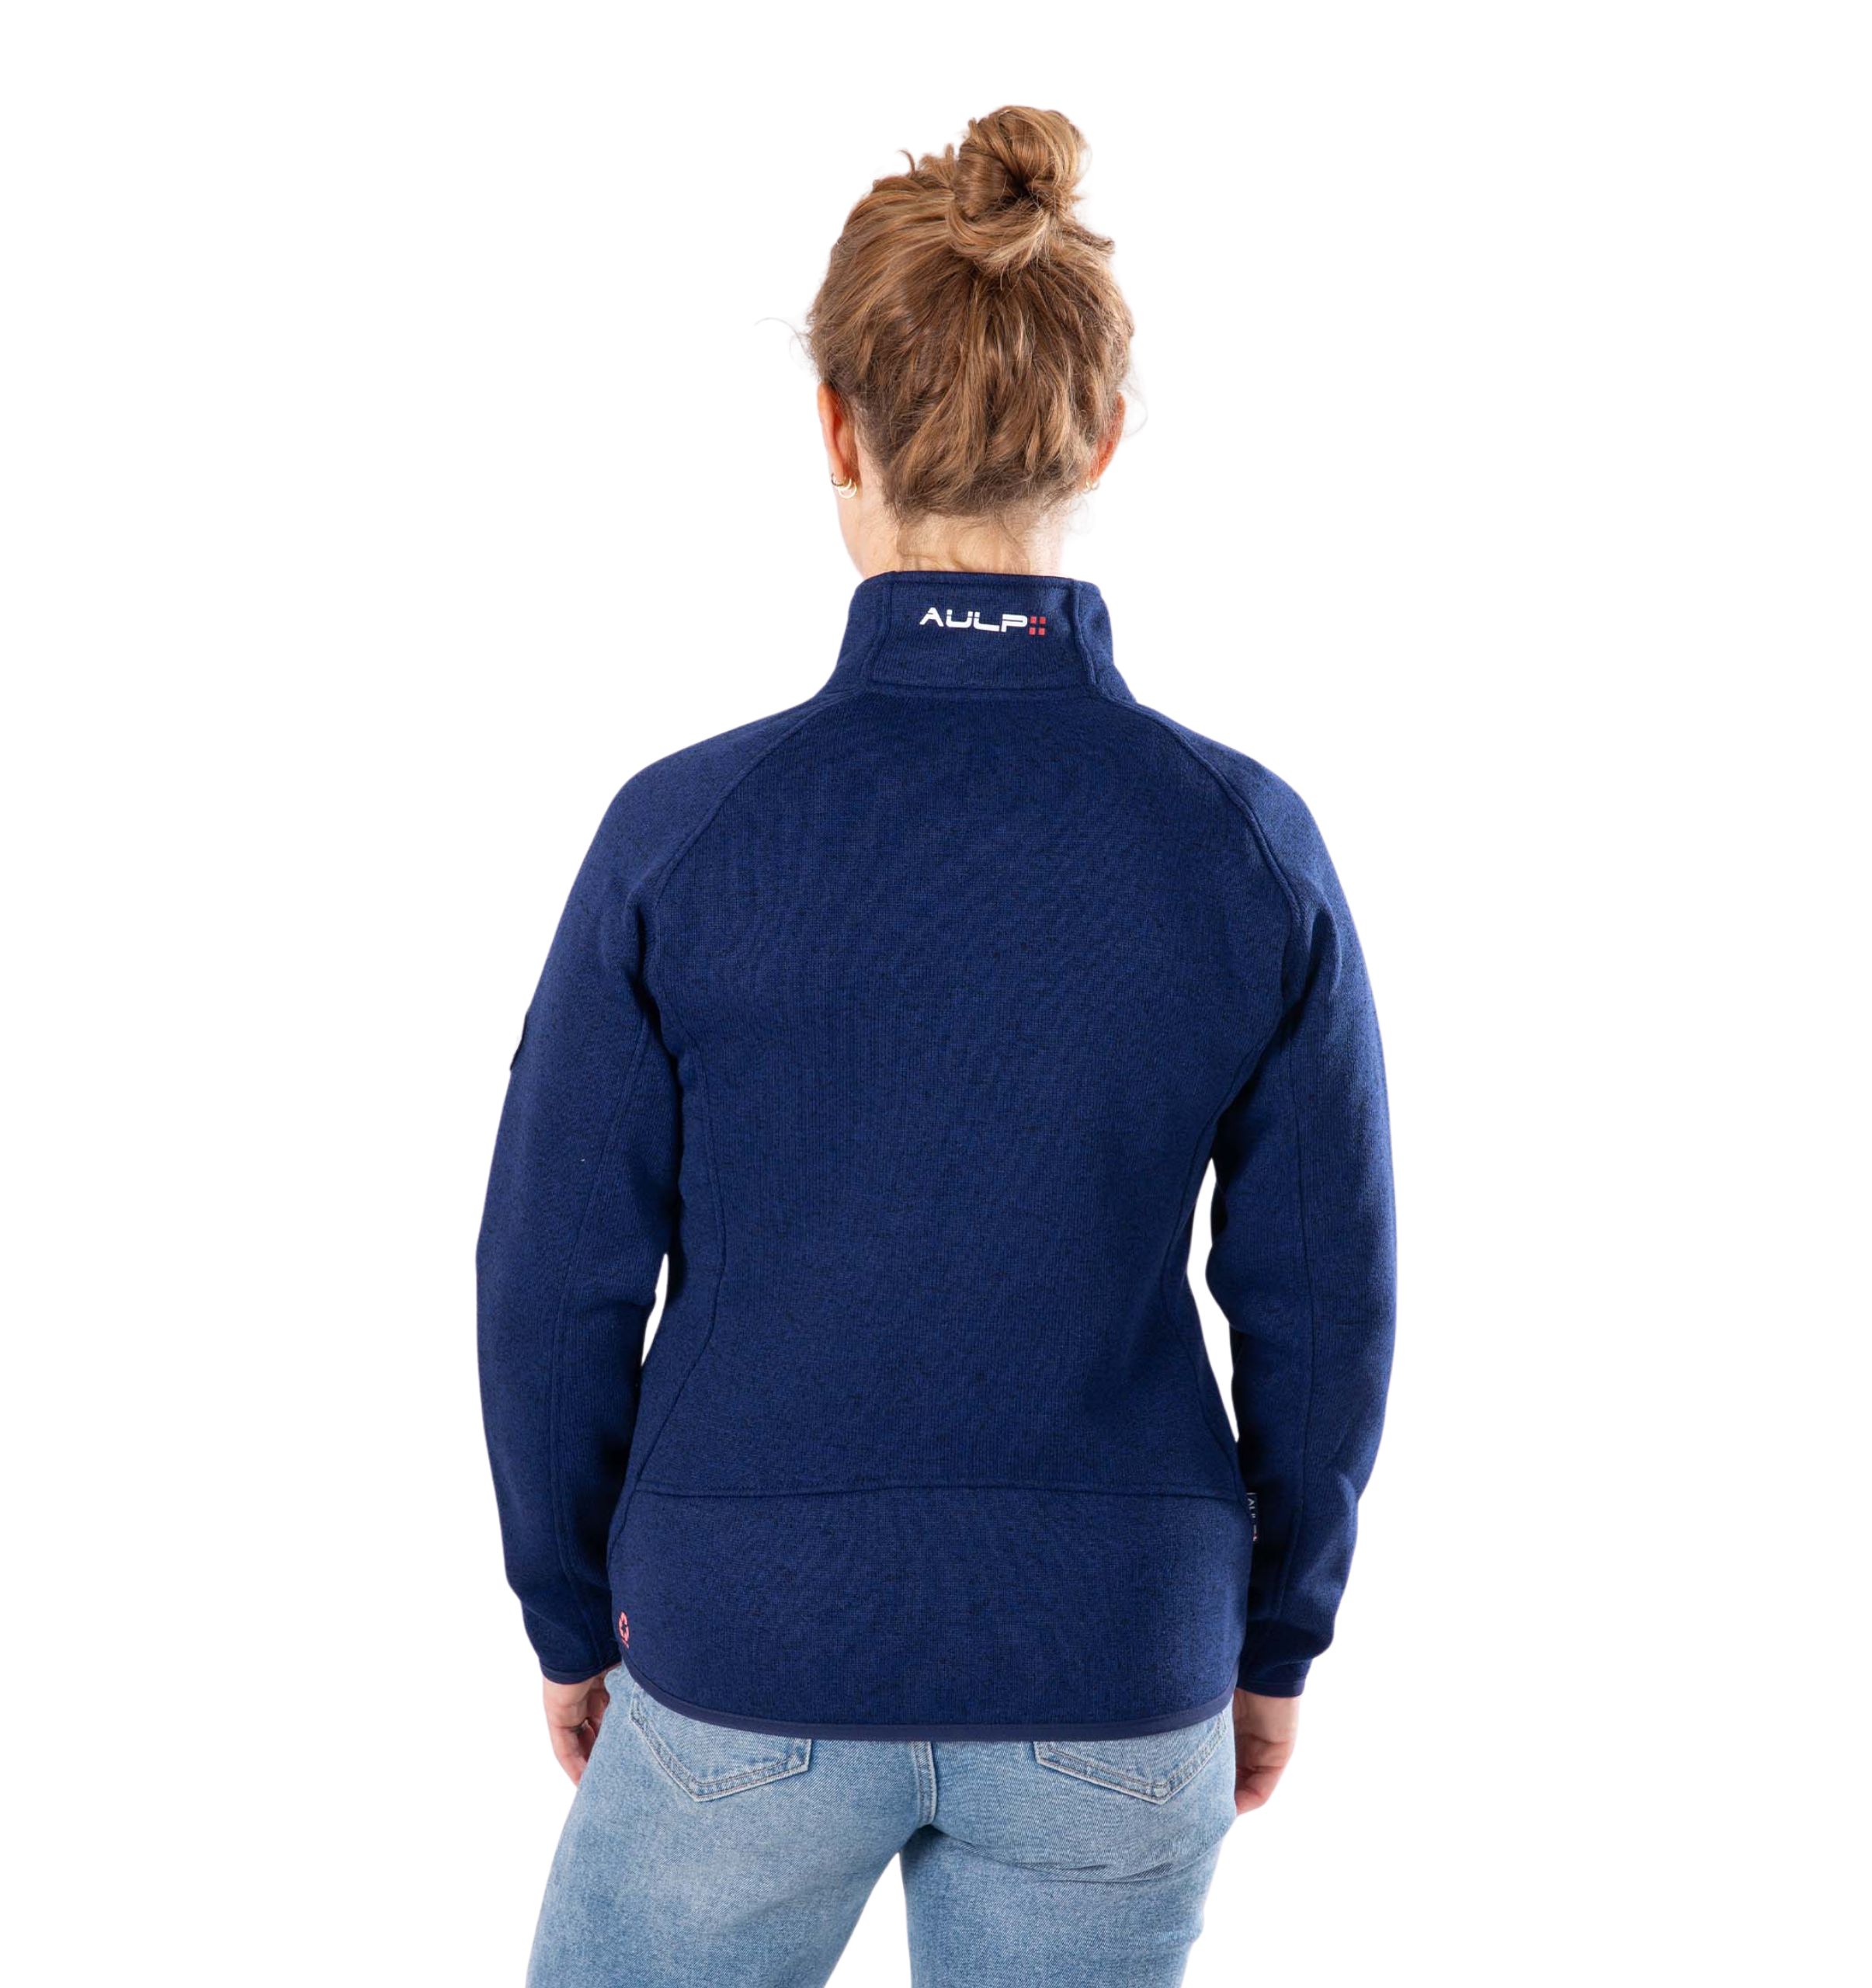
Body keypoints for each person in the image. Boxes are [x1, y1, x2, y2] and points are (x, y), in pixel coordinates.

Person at [478, 104, 1396, 1988]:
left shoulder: (684, 835)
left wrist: (570, 1611)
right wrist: (1274, 1633)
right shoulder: (1244, 844)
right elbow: (1327, 1297)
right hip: (1116, 1657)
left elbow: (553, 1274)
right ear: (1105, 439)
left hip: (744, 1644)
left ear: (836, 431)